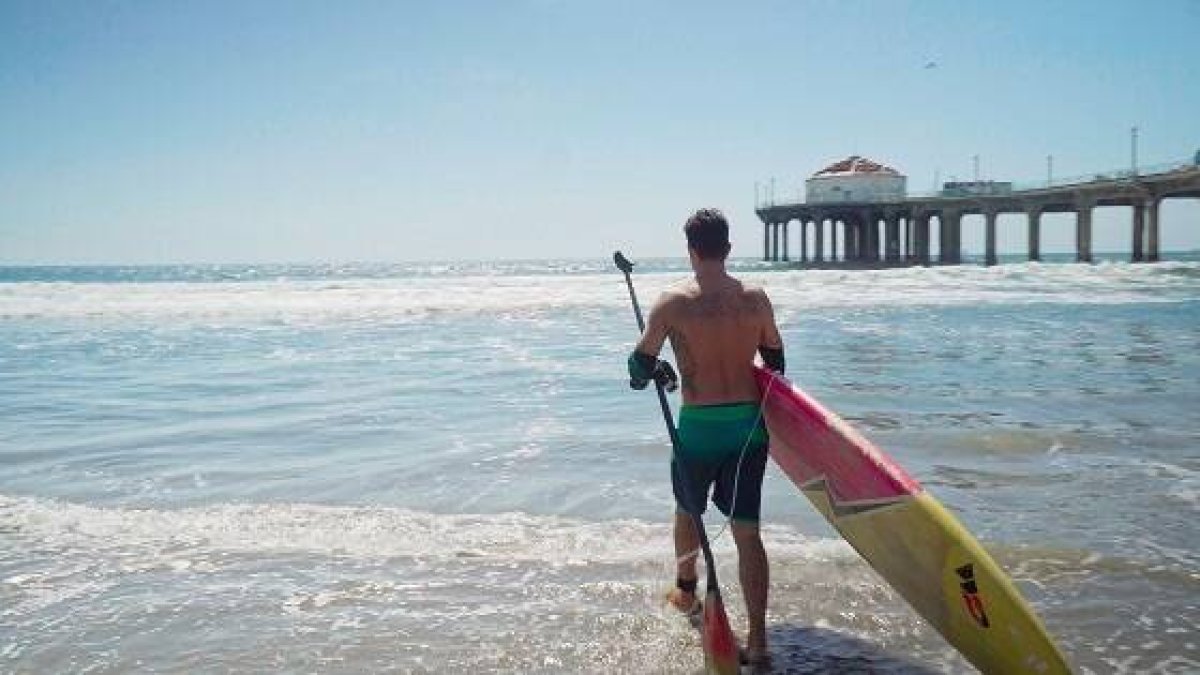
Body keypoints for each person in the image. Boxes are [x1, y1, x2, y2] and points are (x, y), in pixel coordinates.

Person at [627, 208, 785, 663]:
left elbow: (638, 370)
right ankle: (758, 640)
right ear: (728, 249)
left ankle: (686, 591)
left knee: (687, 510)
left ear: (691, 250)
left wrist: (660, 370)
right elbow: (775, 362)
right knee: (748, 534)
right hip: (747, 433)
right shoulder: (756, 299)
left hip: (696, 433)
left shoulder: (672, 303)